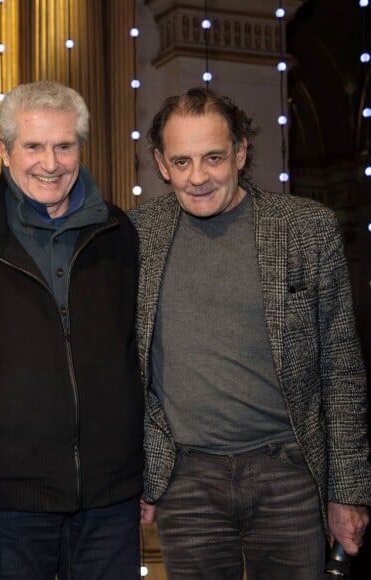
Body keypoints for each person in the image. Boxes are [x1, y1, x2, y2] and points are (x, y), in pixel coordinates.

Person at [130, 87, 371, 578]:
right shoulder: (135, 235)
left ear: (240, 151)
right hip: (186, 479)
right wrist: (140, 473)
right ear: (160, 163)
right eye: (181, 161)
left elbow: (341, 368)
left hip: (288, 473)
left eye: (213, 157)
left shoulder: (307, 229)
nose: (197, 177)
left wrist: (348, 490)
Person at [0, 80, 144, 579]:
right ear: (4, 151)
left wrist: (140, 475)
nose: (50, 163)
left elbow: (135, 354)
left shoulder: (119, 234)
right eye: (33, 146)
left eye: (64, 145)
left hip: (109, 497)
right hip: (6, 499)